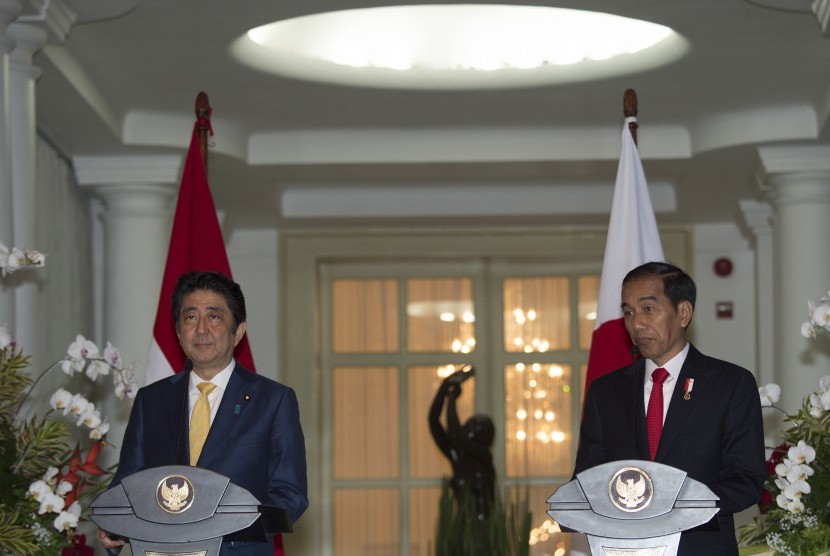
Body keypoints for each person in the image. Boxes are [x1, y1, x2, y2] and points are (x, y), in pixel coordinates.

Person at [97, 271, 308, 555]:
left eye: (215, 316)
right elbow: (127, 483)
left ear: (239, 331)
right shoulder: (152, 400)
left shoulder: (273, 400)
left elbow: (289, 495)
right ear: (178, 332)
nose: (201, 329)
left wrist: (221, 531)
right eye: (190, 317)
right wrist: (114, 522)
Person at [573, 262, 766, 555]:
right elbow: (587, 480)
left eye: (648, 309)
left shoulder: (730, 384)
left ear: (683, 313)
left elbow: (746, 480)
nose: (636, 324)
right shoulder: (606, 392)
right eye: (628, 312)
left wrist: (672, 506)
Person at [428, 366, 496, 520]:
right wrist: (445, 386)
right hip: (462, 526)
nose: (465, 427)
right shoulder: (457, 455)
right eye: (467, 423)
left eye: (472, 426)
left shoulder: (483, 456)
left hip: (485, 527)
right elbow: (433, 422)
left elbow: (455, 434)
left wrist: (452, 399)